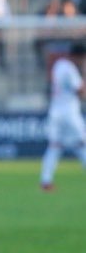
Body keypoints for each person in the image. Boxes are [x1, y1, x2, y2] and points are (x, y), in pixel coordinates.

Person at [39, 42, 86, 191]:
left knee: (54, 146)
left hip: (55, 110)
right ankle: (46, 181)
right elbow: (80, 92)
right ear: (79, 56)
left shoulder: (59, 64)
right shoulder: (71, 69)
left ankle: (46, 181)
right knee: (82, 144)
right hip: (69, 113)